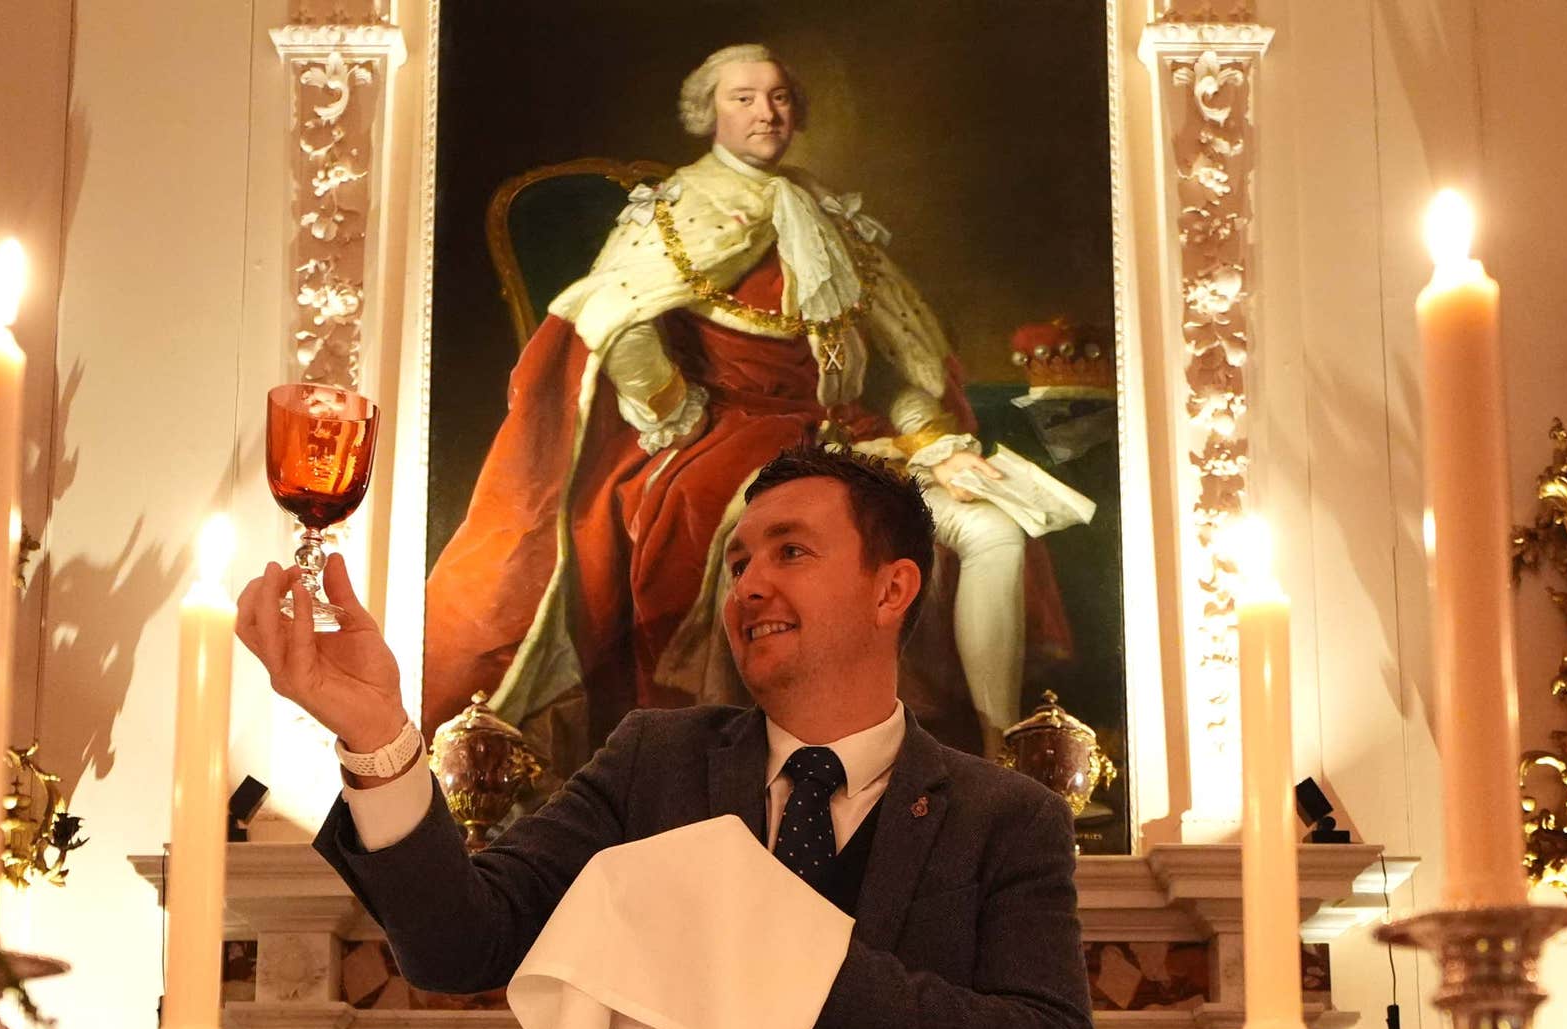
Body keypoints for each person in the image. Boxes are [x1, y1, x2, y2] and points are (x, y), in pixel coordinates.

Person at [240, 444, 1095, 1029]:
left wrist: (775, 956)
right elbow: (458, 945)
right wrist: (377, 735)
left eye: (790, 551)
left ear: (892, 589)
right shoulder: (656, 760)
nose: (749, 585)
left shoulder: (1005, 816)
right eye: (737, 564)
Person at [421, 42, 1087, 763]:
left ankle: (992, 754)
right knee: (798, 550)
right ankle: (767, 761)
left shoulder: (824, 211)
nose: (765, 113)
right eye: (744, 98)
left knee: (994, 531)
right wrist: (673, 406)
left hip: (849, 435)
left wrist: (933, 440)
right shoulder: (676, 207)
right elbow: (613, 315)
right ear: (708, 113)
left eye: (778, 98)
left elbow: (897, 362)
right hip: (729, 439)